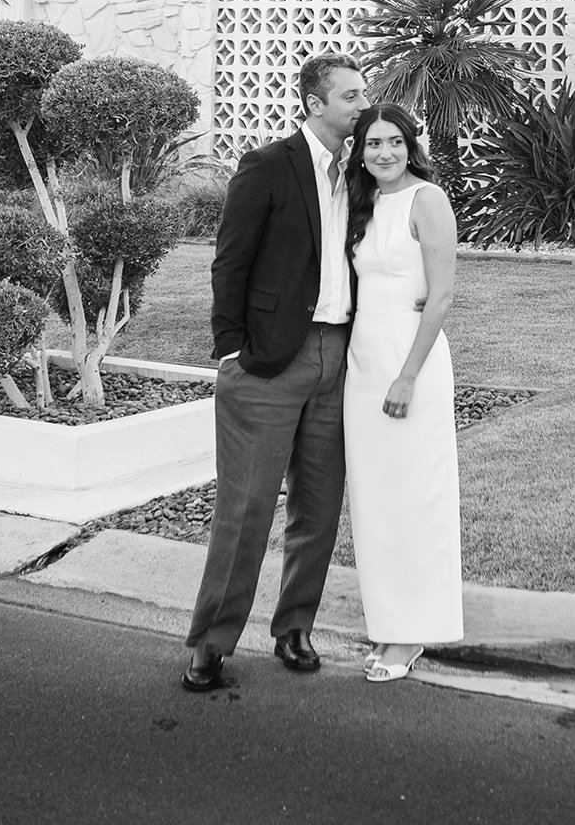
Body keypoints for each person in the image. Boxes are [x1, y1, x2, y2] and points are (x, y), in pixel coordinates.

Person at [182, 52, 368, 691]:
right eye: (349, 96)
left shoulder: (362, 174)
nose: (360, 106)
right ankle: (212, 640)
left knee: (319, 506)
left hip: (338, 359)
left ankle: (295, 627)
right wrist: (230, 347)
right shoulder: (267, 165)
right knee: (247, 508)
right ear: (316, 103)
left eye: (362, 94)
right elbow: (229, 262)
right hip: (267, 364)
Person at [343, 103, 464, 682]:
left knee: (414, 496)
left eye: (394, 142)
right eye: (372, 143)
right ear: (359, 150)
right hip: (361, 363)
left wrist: (408, 375)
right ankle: (387, 622)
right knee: (374, 499)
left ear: (410, 145)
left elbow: (439, 296)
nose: (384, 153)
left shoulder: (428, 200)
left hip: (408, 364)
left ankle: (412, 632)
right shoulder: (361, 203)